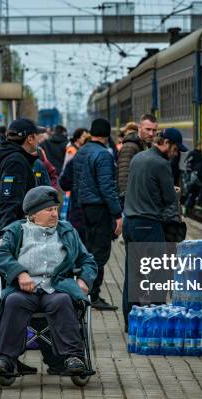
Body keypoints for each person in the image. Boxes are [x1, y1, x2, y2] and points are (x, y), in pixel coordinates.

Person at [0, 186, 97, 376]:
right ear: (33, 214)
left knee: (62, 301)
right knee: (13, 302)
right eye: (49, 210)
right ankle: (6, 358)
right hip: (23, 289)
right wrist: (20, 273)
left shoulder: (67, 231)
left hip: (57, 287)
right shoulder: (17, 230)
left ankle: (73, 357)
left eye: (55, 209)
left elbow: (88, 260)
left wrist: (84, 280)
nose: (54, 214)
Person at [122, 128, 187, 326]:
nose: (176, 154)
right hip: (148, 224)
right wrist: (174, 191)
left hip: (130, 222)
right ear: (167, 143)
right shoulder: (161, 163)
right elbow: (168, 198)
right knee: (157, 273)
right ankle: (159, 317)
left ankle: (130, 320)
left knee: (133, 274)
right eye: (176, 149)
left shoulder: (138, 158)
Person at [70, 118, 122, 310]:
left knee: (86, 251)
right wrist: (117, 214)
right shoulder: (104, 155)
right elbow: (107, 187)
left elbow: (69, 181)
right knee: (99, 254)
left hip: (81, 209)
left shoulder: (80, 152)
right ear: (107, 135)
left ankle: (83, 290)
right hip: (99, 210)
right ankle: (94, 295)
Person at [0, 118, 39, 232]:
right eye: (37, 135)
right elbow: (8, 204)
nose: (39, 139)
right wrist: (8, 239)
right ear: (30, 138)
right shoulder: (16, 161)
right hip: (14, 232)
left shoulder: (8, 156)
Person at [117, 115, 157, 206]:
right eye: (148, 129)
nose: (151, 134)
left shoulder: (147, 145)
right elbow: (123, 176)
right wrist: (127, 201)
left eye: (154, 130)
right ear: (139, 128)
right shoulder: (130, 147)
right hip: (133, 203)